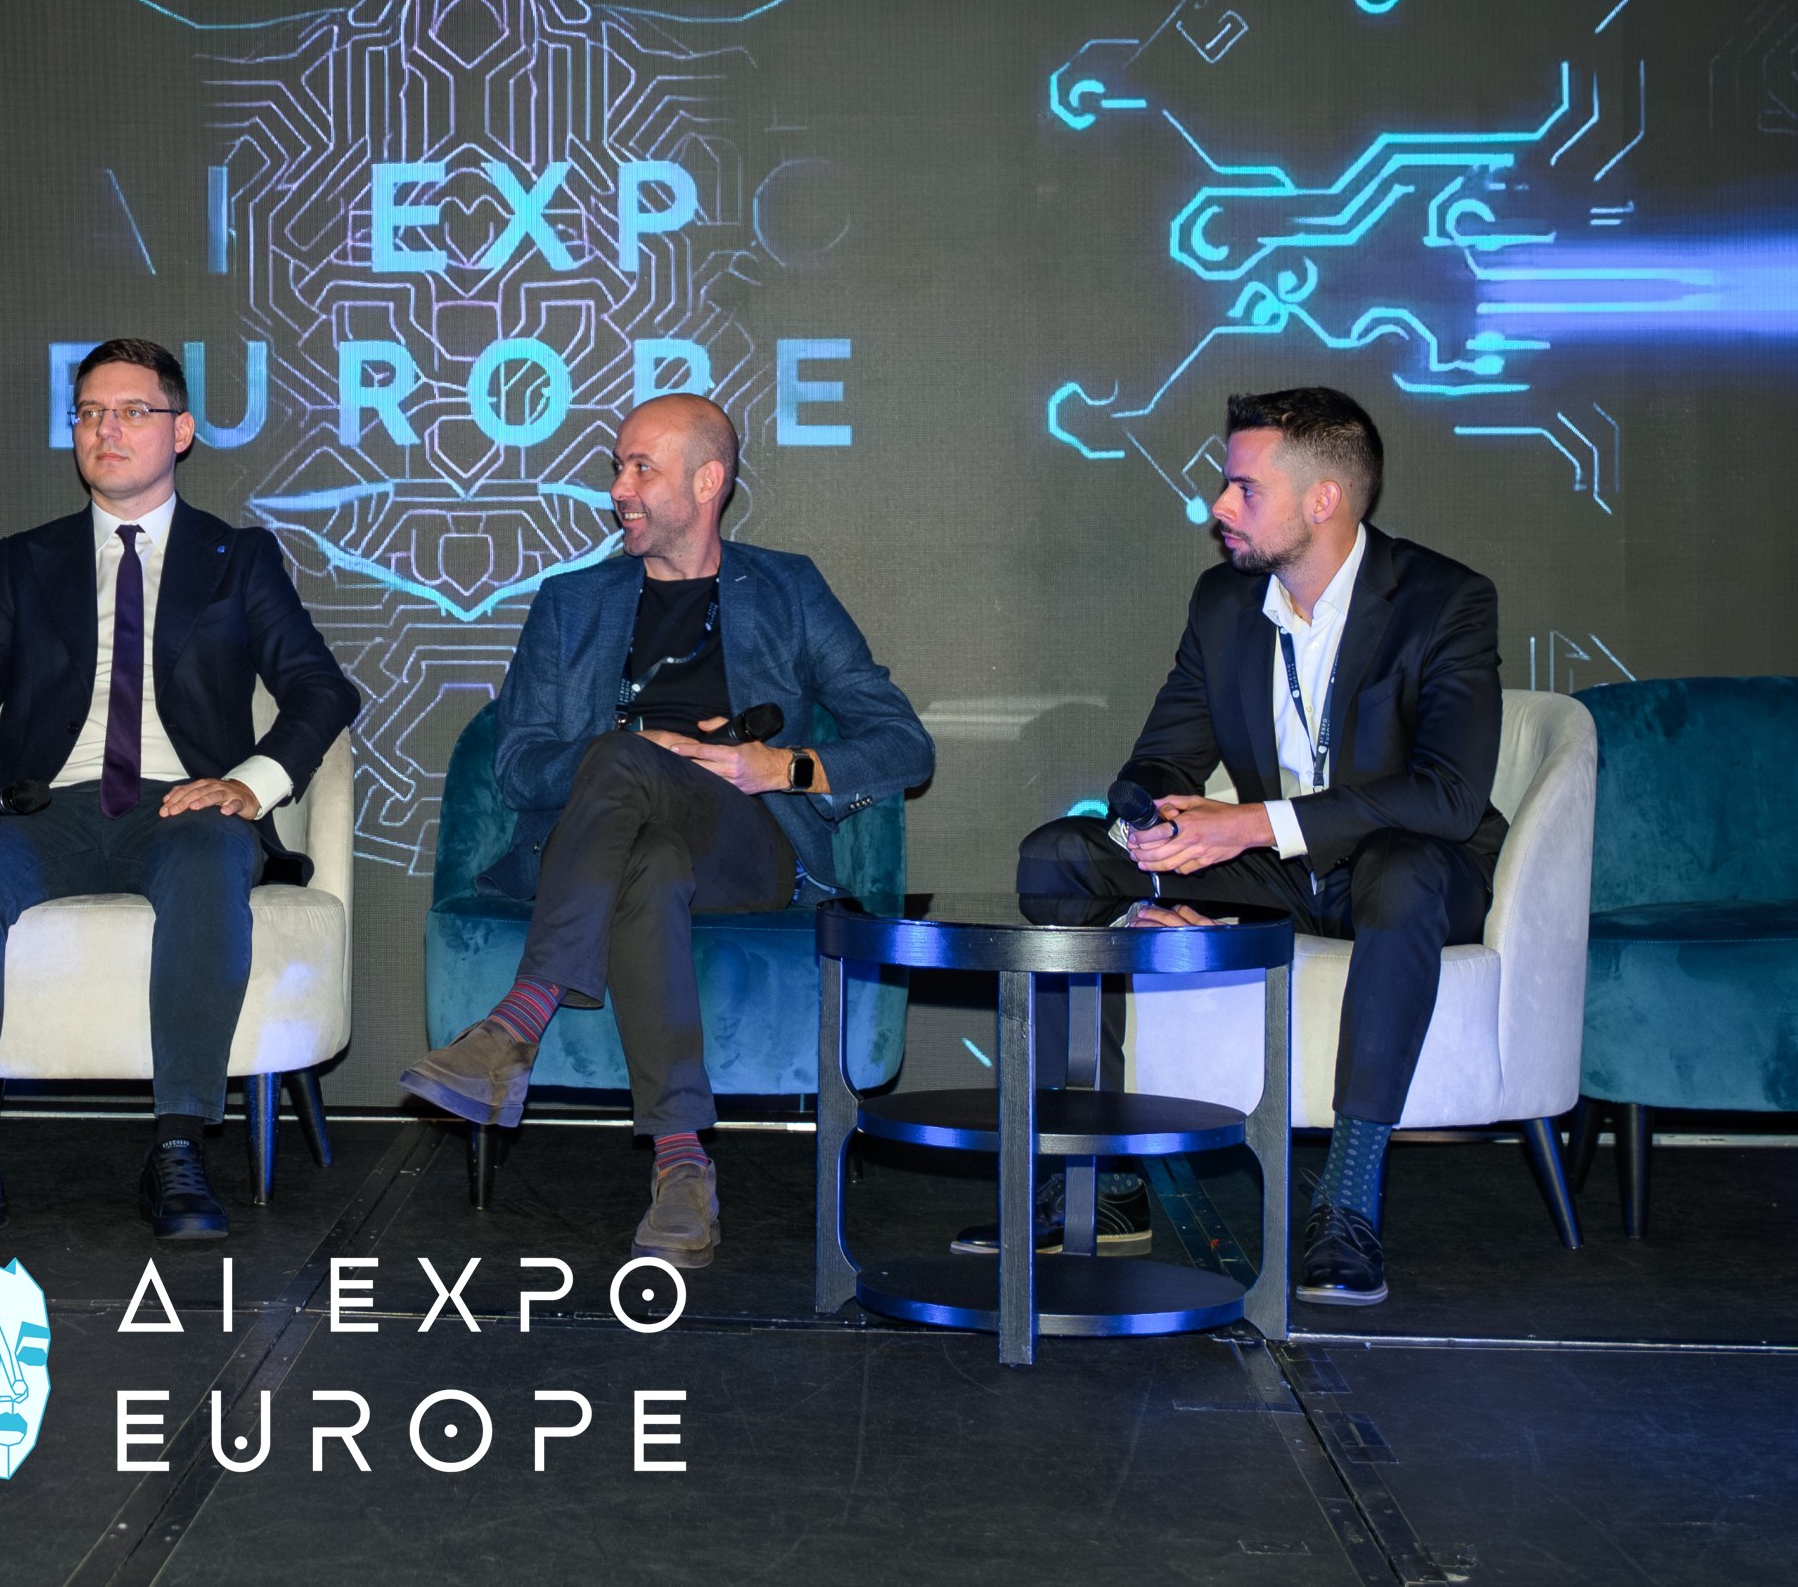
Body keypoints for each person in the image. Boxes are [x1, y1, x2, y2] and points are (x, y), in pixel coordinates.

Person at [399, 395, 934, 1268]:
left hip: (746, 843)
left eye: (641, 467)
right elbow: (519, 766)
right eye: (618, 467)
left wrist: (779, 766)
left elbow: (904, 742)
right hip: (612, 842)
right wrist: (637, 748)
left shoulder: (787, 589)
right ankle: (684, 1167)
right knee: (644, 845)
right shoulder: (570, 604)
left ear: (709, 480)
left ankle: (516, 1024)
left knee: (630, 768)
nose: (620, 488)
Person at [1007, 387, 1501, 1306]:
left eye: (1244, 488)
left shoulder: (1444, 600)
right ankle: (1101, 1182)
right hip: (1278, 876)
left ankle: (1347, 1201)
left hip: (1411, 868)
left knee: (1401, 870)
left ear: (1324, 499)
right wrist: (1150, 849)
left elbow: (1448, 793)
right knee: (1055, 856)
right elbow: (1161, 760)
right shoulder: (1224, 601)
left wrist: (1252, 822)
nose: (1218, 506)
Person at [0, 340, 361, 1247]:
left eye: (133, 410)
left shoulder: (239, 557)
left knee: (212, 849)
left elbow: (321, 690)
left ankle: (178, 1145)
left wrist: (249, 784)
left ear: (181, 431)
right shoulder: (28, 560)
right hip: (45, 807)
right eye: (90, 412)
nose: (107, 429)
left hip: (181, 805)